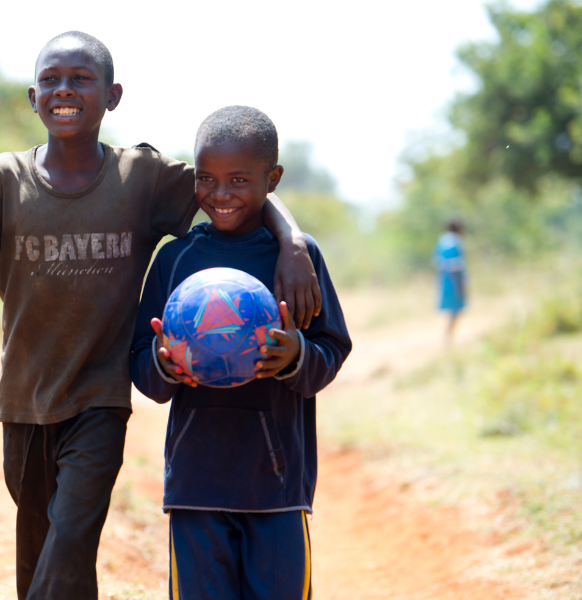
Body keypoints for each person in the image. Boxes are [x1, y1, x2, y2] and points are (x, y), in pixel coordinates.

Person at [0, 32, 321, 600]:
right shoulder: (1, 180)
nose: (64, 90)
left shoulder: (142, 178)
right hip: (25, 400)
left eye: (81, 79)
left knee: (72, 535)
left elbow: (236, 182)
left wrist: (293, 242)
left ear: (113, 95)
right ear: (33, 97)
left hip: (101, 400)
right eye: (51, 80)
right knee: (47, 555)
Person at [130, 106, 352, 599]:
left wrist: (296, 355)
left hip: (276, 486)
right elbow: (141, 355)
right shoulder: (175, 257)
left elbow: (333, 348)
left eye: (238, 180)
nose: (220, 194)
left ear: (272, 179)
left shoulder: (296, 259)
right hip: (195, 484)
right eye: (206, 178)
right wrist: (162, 366)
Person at [433, 219, 466, 344]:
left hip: (444, 279)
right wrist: (461, 284)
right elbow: (456, 265)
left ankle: (448, 337)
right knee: (455, 310)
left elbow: (436, 262)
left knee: (450, 310)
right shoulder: (456, 241)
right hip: (455, 279)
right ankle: (449, 338)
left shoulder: (441, 240)